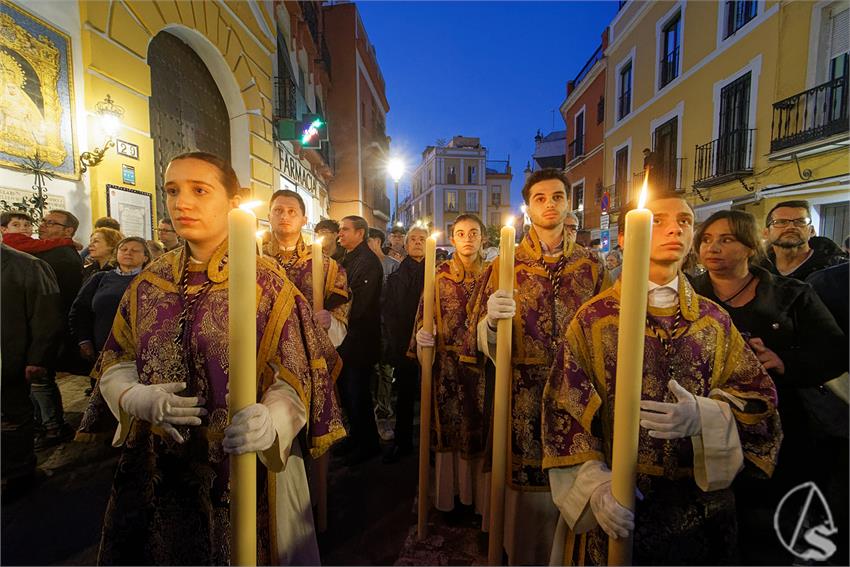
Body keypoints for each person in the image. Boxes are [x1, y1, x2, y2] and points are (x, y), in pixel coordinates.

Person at [91, 152, 345, 565]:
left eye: (199, 190)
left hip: (246, 462)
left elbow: (297, 374)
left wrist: (272, 420)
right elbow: (117, 359)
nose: (181, 203)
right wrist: (133, 396)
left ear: (231, 202)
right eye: (172, 191)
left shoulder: (266, 282)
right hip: (161, 465)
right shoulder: (149, 283)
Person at [543, 194, 782, 565]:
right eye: (658, 220)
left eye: (685, 221)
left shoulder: (714, 321)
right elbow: (563, 410)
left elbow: (760, 401)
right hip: (621, 503)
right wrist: (595, 487)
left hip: (700, 510)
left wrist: (708, 417)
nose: (675, 228)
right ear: (625, 237)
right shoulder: (594, 319)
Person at [462, 168, 607, 564]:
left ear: (567, 203)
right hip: (521, 388)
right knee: (521, 472)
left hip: (579, 390)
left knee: (577, 465)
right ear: (527, 208)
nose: (549, 205)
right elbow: (476, 334)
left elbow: (611, 327)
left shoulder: (592, 266)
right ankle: (521, 550)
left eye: (557, 197)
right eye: (540, 198)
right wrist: (490, 322)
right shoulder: (504, 264)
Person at [692, 210, 847, 564]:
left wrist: (783, 361)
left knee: (769, 534)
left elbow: (835, 352)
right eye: (706, 240)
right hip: (707, 432)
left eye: (726, 239)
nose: (713, 247)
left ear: (750, 246)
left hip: (782, 433)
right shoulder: (688, 294)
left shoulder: (791, 294)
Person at [411, 214, 488, 511]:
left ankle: (480, 501)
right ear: (452, 239)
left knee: (481, 428)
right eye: (460, 233)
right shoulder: (439, 275)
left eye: (473, 232)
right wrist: (423, 338)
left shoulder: (494, 274)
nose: (467, 238)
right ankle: (449, 496)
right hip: (446, 368)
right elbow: (424, 316)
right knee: (449, 430)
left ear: (483, 237)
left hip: (483, 365)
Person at [1, 243, 62, 492]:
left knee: (12, 418)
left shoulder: (28, 266)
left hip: (8, 360)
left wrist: (38, 358)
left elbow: (47, 317)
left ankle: (17, 472)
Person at [265, 189, 351, 348]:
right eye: (278, 210)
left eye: (292, 212)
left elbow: (340, 319)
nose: (284, 216)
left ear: (304, 220)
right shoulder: (254, 259)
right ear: (269, 216)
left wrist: (329, 321)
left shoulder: (329, 267)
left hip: (308, 351)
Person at [70, 237, 150, 398]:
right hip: (103, 350)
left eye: (135, 250)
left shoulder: (152, 281)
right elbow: (80, 310)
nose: (128, 253)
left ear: (145, 257)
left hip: (140, 353)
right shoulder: (100, 279)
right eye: (124, 249)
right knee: (104, 397)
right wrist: (84, 340)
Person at [31, 210, 83, 440]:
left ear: (68, 230)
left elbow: (55, 297)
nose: (43, 226)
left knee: (41, 376)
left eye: (51, 223)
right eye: (43, 221)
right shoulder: (50, 252)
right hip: (44, 322)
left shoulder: (61, 256)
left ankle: (52, 425)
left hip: (50, 323)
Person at [336, 215, 384, 465]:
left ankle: (368, 444)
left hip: (360, 339)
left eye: (345, 230)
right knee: (349, 392)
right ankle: (356, 437)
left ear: (360, 233)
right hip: (348, 339)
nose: (339, 234)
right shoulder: (347, 258)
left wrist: (338, 319)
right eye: (340, 230)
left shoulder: (367, 262)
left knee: (359, 394)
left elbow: (359, 303)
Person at [381, 226, 428, 463]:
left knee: (431, 394)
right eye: (414, 239)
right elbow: (390, 312)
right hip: (403, 342)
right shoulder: (398, 275)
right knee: (406, 395)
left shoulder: (437, 273)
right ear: (406, 245)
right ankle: (403, 441)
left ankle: (433, 443)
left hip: (431, 341)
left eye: (423, 239)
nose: (418, 243)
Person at [760, 200, 847, 280]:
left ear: (811, 231)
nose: (791, 227)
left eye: (800, 221)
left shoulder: (836, 270)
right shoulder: (758, 270)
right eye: (781, 222)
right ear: (766, 233)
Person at [367, 227, 400, 424]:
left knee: (386, 369)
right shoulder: (364, 265)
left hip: (386, 324)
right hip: (368, 324)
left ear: (377, 241)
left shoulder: (393, 266)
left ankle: (384, 408)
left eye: (368, 241)